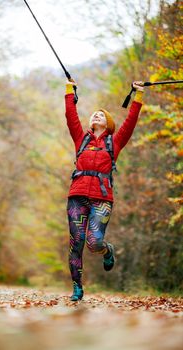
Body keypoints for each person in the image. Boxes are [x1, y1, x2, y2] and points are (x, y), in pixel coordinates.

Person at [65, 79, 144, 301]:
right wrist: (69, 89)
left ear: (108, 123)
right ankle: (77, 287)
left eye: (101, 114)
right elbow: (70, 115)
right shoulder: (81, 139)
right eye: (94, 114)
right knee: (76, 242)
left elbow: (130, 122)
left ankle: (107, 250)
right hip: (77, 197)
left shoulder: (115, 142)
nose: (96, 115)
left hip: (102, 199)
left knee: (94, 242)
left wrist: (137, 95)